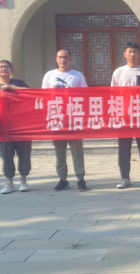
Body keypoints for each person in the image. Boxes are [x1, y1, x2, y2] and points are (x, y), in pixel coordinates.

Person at [41, 49, 89, 192]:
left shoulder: (77, 75)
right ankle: (62, 179)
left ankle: (80, 179)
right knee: (59, 150)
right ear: (56, 59)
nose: (63, 60)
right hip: (56, 117)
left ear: (70, 59)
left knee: (77, 150)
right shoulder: (50, 75)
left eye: (66, 57)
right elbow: (44, 95)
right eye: (60, 57)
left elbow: (85, 95)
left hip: (73, 117)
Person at [111, 42, 140, 189]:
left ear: (139, 54)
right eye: (129, 52)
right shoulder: (119, 72)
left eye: (135, 52)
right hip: (124, 116)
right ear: (125, 54)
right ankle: (125, 178)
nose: (132, 54)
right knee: (124, 148)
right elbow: (113, 94)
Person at [0, 60, 32, 194]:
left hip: (23, 126)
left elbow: (31, 93)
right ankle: (9, 182)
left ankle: (23, 181)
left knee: (24, 154)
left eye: (6, 67)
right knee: (6, 155)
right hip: (5, 128)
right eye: (1, 67)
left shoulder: (19, 83)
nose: (4, 69)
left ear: (11, 70)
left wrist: (13, 87)